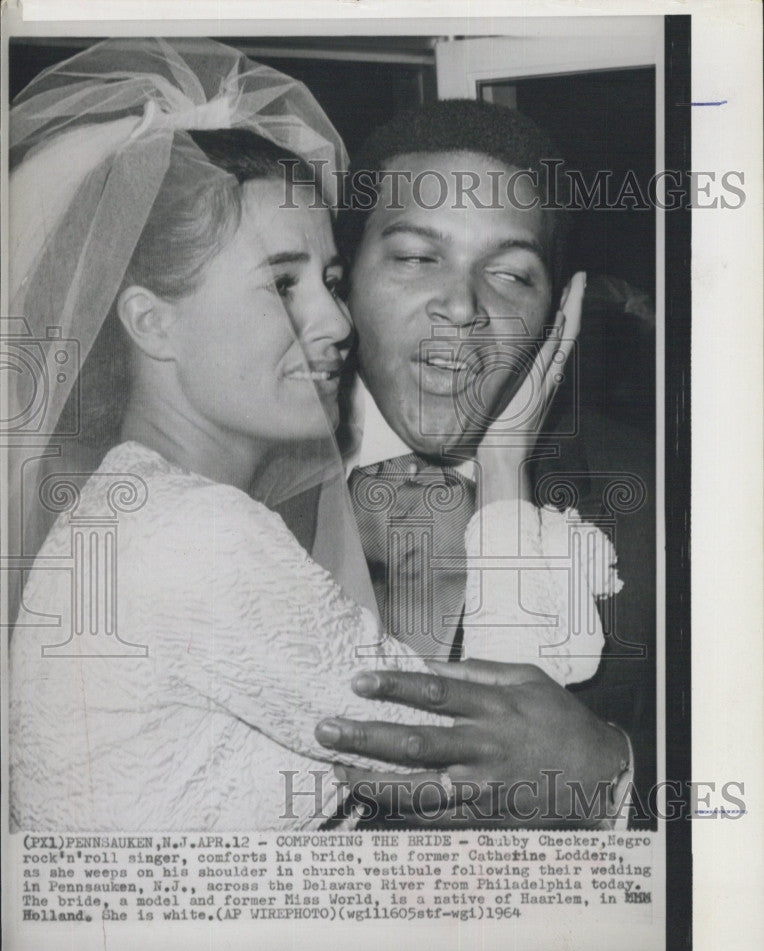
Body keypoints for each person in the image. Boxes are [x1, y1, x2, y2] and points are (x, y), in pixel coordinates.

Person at [8, 40, 619, 832]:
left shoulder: (127, 507)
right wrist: (504, 470)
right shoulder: (198, 536)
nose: (334, 325)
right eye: (282, 284)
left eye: (328, 283)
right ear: (152, 321)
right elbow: (494, 760)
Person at [314, 101, 656, 827]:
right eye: (415, 258)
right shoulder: (236, 468)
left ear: (560, 313)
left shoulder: (662, 498)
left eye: (510, 275)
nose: (463, 305)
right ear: (339, 283)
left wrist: (611, 778)